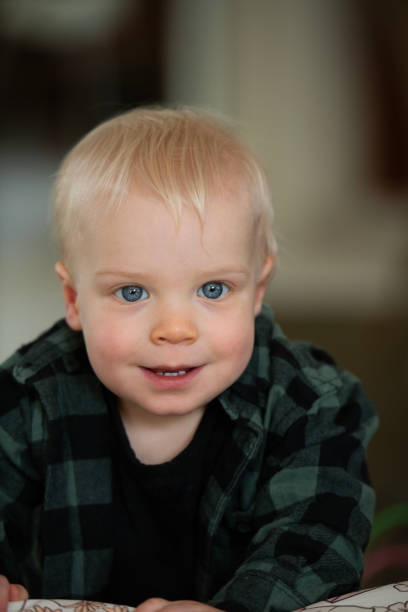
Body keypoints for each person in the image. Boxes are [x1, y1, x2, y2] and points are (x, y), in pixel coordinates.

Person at [0, 108, 377, 612]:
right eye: (132, 291)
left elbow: (318, 538)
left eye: (213, 288)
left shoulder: (308, 403)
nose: (175, 330)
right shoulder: (31, 396)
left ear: (257, 289)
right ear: (73, 300)